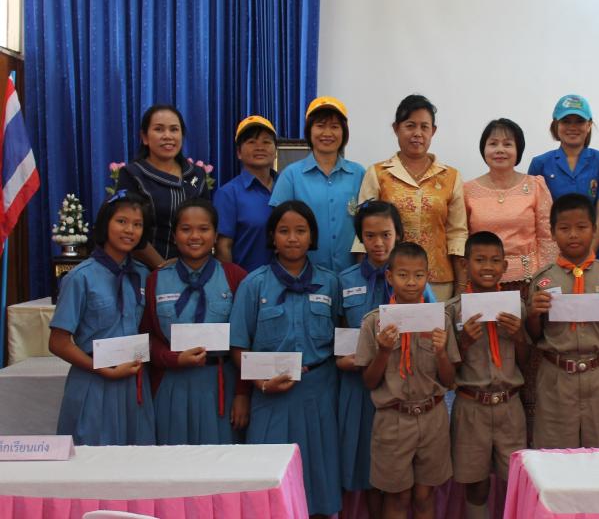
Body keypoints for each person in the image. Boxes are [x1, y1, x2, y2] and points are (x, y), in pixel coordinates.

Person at [230, 201, 342, 517]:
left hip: (319, 393)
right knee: (269, 479)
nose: (292, 238)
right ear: (272, 237)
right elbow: (238, 346)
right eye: (284, 231)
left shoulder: (330, 283)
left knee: (318, 476)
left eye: (300, 231)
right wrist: (259, 383)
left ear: (312, 236)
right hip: (270, 398)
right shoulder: (254, 284)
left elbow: (341, 336)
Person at [355, 242, 461, 519]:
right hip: (393, 419)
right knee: (398, 496)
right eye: (403, 275)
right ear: (390, 277)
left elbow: (449, 380)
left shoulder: (440, 320)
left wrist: (441, 352)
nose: (411, 282)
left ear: (428, 276)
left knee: (425, 495)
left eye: (418, 275)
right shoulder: (374, 322)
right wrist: (384, 351)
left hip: (432, 416)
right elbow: (369, 381)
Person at [526, 193, 599, 448]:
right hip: (557, 376)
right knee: (555, 455)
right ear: (552, 233)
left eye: (581, 227)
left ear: (595, 230)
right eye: (564, 228)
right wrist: (532, 314)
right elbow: (534, 336)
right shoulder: (542, 279)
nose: (573, 235)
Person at [48, 190, 156, 445]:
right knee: (94, 457)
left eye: (137, 224)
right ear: (105, 223)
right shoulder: (80, 277)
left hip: (134, 383)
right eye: (121, 221)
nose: (129, 230)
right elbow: (58, 342)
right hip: (93, 381)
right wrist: (102, 368)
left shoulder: (143, 275)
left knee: (138, 458)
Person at [140, 199, 249, 444]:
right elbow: (147, 339)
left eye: (204, 229)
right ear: (174, 235)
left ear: (215, 235)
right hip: (171, 384)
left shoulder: (235, 277)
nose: (195, 236)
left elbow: (247, 341)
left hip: (221, 384)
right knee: (174, 458)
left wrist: (242, 393)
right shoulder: (156, 279)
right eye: (186, 229)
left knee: (222, 458)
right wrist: (173, 358)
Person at [447, 232, 528, 519]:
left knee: (517, 481)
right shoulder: (452, 311)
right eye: (479, 260)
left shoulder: (517, 307)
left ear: (505, 266)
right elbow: (447, 372)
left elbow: (526, 362)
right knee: (476, 486)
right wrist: (464, 342)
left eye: (495, 261)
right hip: (471, 406)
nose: (488, 267)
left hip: (510, 405)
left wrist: (519, 336)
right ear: (465, 265)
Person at [355, 94, 468, 301]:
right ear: (396, 128)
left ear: (433, 131)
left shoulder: (451, 177)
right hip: (389, 280)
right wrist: (363, 280)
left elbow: (457, 234)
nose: (417, 133)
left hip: (439, 280)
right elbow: (363, 233)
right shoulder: (378, 173)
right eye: (410, 126)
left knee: (437, 324)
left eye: (424, 127)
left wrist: (461, 286)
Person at [269, 97, 364, 273]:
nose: (327, 133)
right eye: (320, 126)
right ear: (309, 131)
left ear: (344, 132)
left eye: (334, 127)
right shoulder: (291, 175)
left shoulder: (359, 174)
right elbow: (278, 226)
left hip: (352, 274)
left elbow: (368, 225)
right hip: (305, 276)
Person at [464, 118, 556, 294]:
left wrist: (545, 280)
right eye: (493, 144)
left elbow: (548, 238)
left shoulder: (535, 185)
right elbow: (462, 238)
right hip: (481, 281)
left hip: (529, 280)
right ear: (484, 149)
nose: (500, 150)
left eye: (507, 144)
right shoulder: (467, 190)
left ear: (518, 149)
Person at [116, 104, 209, 268]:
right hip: (144, 270)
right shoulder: (133, 175)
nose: (168, 136)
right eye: (159, 129)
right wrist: (163, 268)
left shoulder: (197, 175)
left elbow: (206, 224)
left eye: (174, 130)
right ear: (144, 137)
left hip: (193, 268)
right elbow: (128, 229)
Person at [527, 94, 599, 260]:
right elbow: (535, 218)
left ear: (589, 125)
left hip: (596, 255)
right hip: (553, 256)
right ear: (556, 125)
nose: (572, 127)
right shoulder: (540, 164)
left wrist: (587, 256)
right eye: (566, 121)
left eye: (579, 121)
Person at [214, 115, 278, 272]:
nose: (260, 147)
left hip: (288, 283)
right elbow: (223, 247)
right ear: (239, 153)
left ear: (275, 151)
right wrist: (232, 282)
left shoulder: (288, 186)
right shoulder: (228, 194)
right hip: (245, 282)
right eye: (251, 142)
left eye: (266, 142)